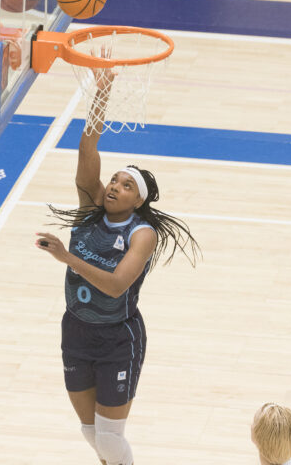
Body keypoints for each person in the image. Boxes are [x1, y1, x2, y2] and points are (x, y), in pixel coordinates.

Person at [35, 65, 200, 465]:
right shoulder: (91, 208)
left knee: (109, 438)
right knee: (91, 433)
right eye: (114, 180)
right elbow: (86, 149)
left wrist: (66, 257)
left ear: (138, 201)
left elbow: (115, 286)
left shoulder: (143, 233)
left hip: (117, 338)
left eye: (126, 185)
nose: (113, 186)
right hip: (75, 328)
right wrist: (102, 90)